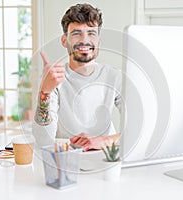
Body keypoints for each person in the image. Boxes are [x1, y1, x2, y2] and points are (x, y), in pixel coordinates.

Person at [33, 3, 121, 151]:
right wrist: (45, 92)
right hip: (66, 159)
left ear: (99, 40)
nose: (84, 40)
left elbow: (139, 129)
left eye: (91, 33)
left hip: (106, 156)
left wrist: (103, 141)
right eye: (76, 33)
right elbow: (43, 141)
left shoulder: (114, 76)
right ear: (64, 40)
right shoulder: (54, 79)